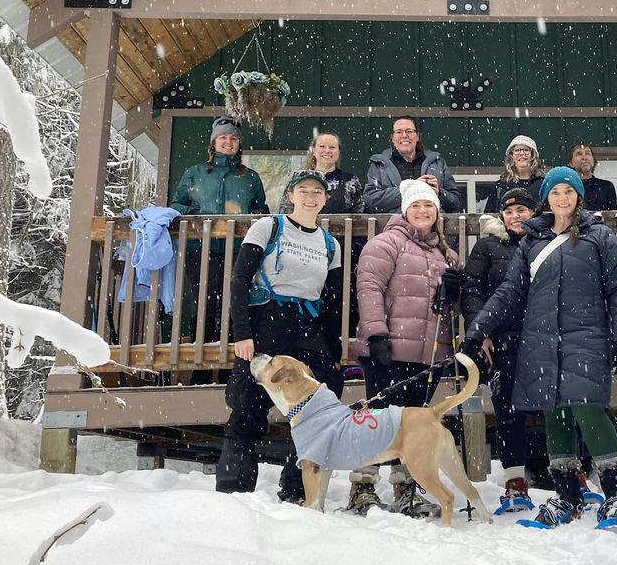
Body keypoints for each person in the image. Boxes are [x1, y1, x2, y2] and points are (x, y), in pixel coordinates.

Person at [460, 167, 617, 528]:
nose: (561, 198)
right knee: (554, 411)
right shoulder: (530, 243)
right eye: (554, 193)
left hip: (585, 335)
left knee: (586, 409)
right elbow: (509, 292)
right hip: (541, 338)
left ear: (577, 196)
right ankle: (567, 496)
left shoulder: (599, 236)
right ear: (547, 198)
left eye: (567, 192)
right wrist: (479, 329)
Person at [215, 170, 344, 500]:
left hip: (308, 325)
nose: (310, 197)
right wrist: (242, 333)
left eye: (317, 191)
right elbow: (239, 280)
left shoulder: (330, 245)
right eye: (304, 190)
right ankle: (234, 491)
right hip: (267, 320)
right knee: (248, 403)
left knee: (321, 401)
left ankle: (295, 487)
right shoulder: (269, 227)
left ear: (325, 199)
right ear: (291, 195)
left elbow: (331, 301)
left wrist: (334, 349)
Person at [348, 179, 463, 516]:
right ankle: (362, 486)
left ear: (437, 212)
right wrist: (376, 335)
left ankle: (406, 487)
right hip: (388, 349)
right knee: (378, 421)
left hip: (426, 355)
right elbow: (369, 288)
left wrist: (453, 294)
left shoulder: (447, 254)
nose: (423, 211)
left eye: (429, 206)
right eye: (416, 205)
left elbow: (448, 312)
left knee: (413, 427)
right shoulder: (386, 244)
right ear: (405, 210)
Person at [169, 116, 268, 384]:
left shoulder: (250, 177)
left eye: (234, 138)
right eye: (223, 137)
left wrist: (250, 222)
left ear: (239, 145)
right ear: (214, 142)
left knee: (234, 305)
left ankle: (230, 371)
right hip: (199, 249)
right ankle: (201, 370)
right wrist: (195, 213)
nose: (229, 142)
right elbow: (176, 205)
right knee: (204, 305)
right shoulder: (195, 173)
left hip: (238, 251)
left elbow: (262, 212)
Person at [462, 187, 539, 510]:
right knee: (508, 410)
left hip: (542, 336)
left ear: (532, 214)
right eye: (509, 212)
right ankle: (515, 479)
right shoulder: (487, 246)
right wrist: (483, 331)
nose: (515, 216)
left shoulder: (544, 243)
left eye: (522, 210)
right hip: (503, 338)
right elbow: (472, 290)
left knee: (558, 407)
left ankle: (569, 471)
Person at [363, 116, 462, 213]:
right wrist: (411, 188)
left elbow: (456, 203)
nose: (404, 135)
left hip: (432, 228)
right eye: (399, 132)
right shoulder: (379, 164)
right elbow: (371, 201)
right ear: (392, 138)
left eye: (409, 131)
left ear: (417, 136)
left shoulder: (437, 163)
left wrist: (439, 193)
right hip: (393, 227)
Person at [278, 130, 364, 214]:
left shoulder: (350, 181)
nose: (327, 151)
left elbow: (361, 216)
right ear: (314, 151)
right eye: (322, 146)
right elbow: (285, 212)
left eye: (332, 147)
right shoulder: (298, 179)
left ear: (338, 152)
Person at [483, 135, 546, 212]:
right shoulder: (501, 187)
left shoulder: (544, 185)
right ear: (511, 156)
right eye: (517, 150)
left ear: (533, 155)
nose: (522, 153)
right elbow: (490, 218)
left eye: (526, 150)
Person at [567, 142, 617, 211]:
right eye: (579, 154)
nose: (584, 157)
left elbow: (612, 217)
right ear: (571, 163)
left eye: (587, 153)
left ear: (593, 160)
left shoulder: (606, 187)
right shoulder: (566, 187)